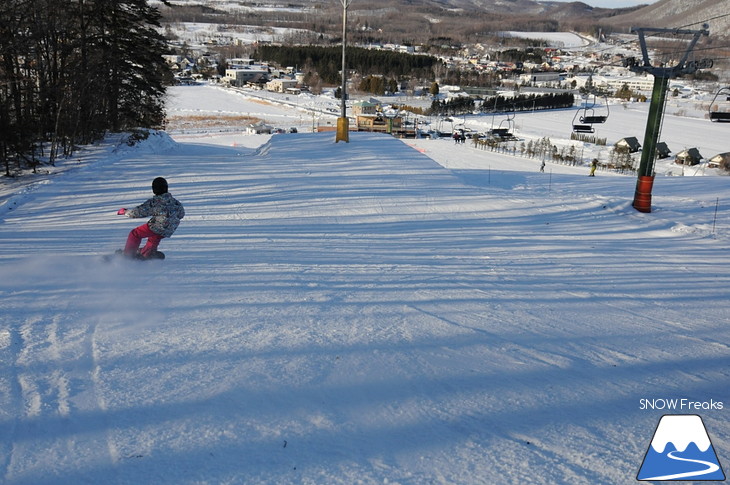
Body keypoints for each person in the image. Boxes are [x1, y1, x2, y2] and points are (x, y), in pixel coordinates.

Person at [117, 177, 185, 259]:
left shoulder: (155, 202)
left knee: (135, 233)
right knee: (155, 236)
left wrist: (126, 212)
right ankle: (148, 252)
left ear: (154, 189)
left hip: (158, 225)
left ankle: (128, 254)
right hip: (170, 227)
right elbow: (181, 214)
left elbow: (139, 211)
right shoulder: (175, 202)